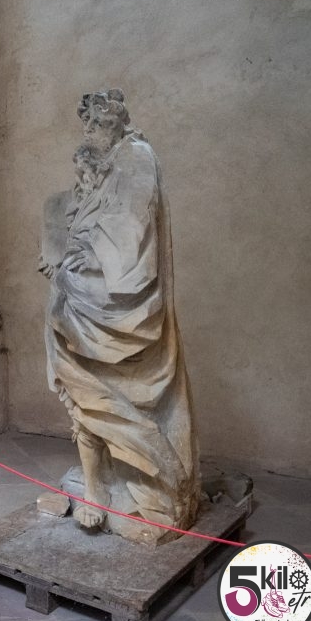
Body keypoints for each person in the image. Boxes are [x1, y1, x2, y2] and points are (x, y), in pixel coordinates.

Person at [42, 89, 200, 542]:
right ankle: (98, 486)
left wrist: (82, 252)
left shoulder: (136, 156)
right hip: (81, 299)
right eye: (87, 123)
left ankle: (149, 481)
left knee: (110, 396)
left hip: (117, 304)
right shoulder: (101, 165)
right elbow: (79, 218)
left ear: (118, 122)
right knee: (83, 393)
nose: (90, 130)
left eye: (98, 122)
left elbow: (131, 227)